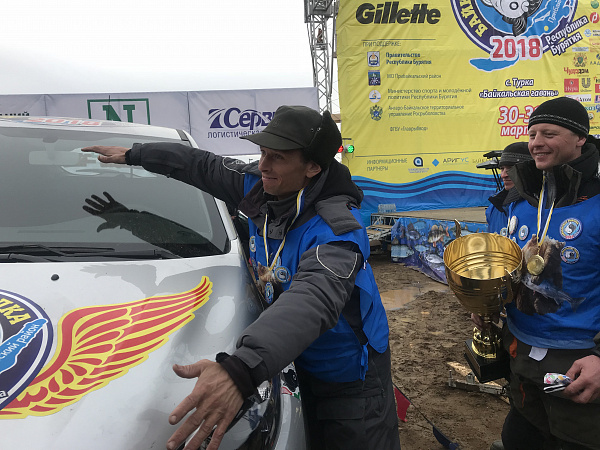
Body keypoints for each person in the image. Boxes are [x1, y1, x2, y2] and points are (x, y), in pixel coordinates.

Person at [82, 105, 401, 450]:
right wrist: (137, 156)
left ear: (312, 167)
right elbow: (200, 165)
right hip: (287, 355)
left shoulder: (337, 231)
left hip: (348, 374)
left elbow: (314, 299)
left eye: (277, 157)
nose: (263, 165)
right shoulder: (259, 187)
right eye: (262, 152)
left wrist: (239, 371)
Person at [485, 97, 600, 450]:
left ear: (580, 138)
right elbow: (513, 271)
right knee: (518, 439)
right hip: (520, 352)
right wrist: (488, 303)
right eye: (533, 134)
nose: (536, 142)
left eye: (549, 133)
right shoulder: (522, 201)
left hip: (579, 361)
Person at [485, 142, 532, 234]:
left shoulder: (542, 207)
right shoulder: (494, 208)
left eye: (511, 169)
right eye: (502, 169)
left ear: (529, 170)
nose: (503, 175)